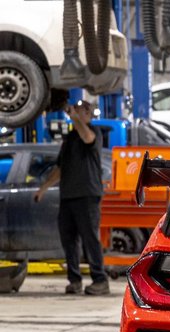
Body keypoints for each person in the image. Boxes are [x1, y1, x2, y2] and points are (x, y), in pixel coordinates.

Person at [33, 99, 110, 295]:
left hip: (87, 195)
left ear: (88, 114)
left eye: (81, 110)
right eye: (75, 109)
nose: (76, 112)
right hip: (68, 196)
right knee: (69, 240)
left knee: (90, 239)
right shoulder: (69, 139)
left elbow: (87, 138)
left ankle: (100, 280)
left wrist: (75, 118)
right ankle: (74, 281)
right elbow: (60, 168)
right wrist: (43, 188)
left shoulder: (93, 133)